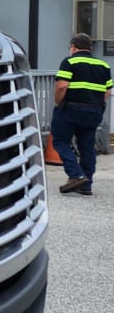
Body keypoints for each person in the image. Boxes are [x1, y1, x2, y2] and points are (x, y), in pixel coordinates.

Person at [52, 33, 113, 195]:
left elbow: (61, 86)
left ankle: (76, 174)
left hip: (70, 108)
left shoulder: (69, 61)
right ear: (90, 48)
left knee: (60, 141)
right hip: (94, 110)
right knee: (87, 146)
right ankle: (86, 185)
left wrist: (58, 102)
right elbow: (108, 92)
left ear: (73, 46)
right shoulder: (104, 65)